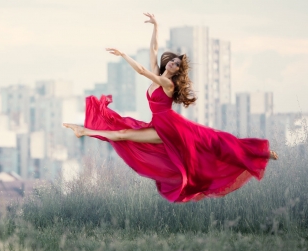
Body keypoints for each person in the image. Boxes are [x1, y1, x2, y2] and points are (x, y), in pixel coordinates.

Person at [63, 13, 278, 203]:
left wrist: (123, 55)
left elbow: (141, 71)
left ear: (176, 72)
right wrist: (156, 27)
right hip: (159, 125)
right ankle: (83, 131)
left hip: (172, 127)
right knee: (123, 133)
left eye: (176, 64)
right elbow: (154, 49)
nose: (172, 64)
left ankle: (260, 153)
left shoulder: (168, 84)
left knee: (214, 141)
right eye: (172, 61)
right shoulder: (160, 73)